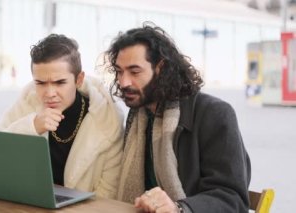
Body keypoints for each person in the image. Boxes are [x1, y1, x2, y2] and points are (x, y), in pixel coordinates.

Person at [105, 23, 251, 212]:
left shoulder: (214, 114)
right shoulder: (139, 114)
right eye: (119, 71)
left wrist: (179, 208)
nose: (123, 82)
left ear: (161, 68)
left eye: (134, 72)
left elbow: (233, 199)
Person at [0, 34, 124, 199]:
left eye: (59, 83)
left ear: (79, 80)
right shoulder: (27, 102)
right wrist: (32, 127)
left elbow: (107, 197)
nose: (49, 94)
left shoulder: (108, 120)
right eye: (40, 83)